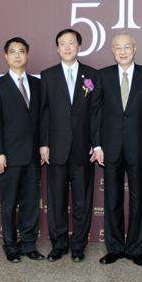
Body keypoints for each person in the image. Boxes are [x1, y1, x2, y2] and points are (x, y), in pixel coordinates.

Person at [91, 32, 142, 267]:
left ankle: (135, 249)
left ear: (134, 48)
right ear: (112, 50)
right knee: (112, 198)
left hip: (139, 148)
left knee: (139, 198)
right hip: (110, 148)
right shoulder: (103, 75)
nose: (122, 51)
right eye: (118, 47)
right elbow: (95, 113)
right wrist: (97, 145)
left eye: (127, 47)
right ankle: (114, 248)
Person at [40, 29, 100, 262]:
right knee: (56, 200)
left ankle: (78, 246)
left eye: (71, 43)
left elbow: (96, 113)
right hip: (56, 148)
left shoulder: (91, 75)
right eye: (62, 44)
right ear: (57, 49)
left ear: (79, 46)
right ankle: (59, 244)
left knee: (82, 201)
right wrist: (44, 144)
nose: (67, 47)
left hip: (83, 148)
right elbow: (44, 113)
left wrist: (96, 143)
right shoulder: (48, 75)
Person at [0, 37, 44, 263]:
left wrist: (43, 146)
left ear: (27, 55)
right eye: (12, 51)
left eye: (21, 51)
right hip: (9, 156)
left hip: (32, 155)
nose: (17, 55)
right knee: (9, 203)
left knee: (31, 202)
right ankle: (10, 245)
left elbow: (42, 120)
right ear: (6, 56)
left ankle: (29, 244)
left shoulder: (38, 84)